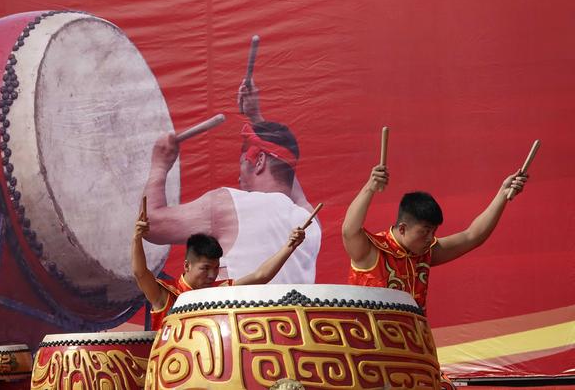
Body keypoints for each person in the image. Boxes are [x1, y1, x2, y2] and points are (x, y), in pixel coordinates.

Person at [142, 79, 321, 283]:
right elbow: (286, 168)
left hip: (242, 315)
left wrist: (160, 164)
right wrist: (257, 119)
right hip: (294, 315)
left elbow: (150, 224)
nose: (238, 176)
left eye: (242, 163)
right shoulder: (310, 220)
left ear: (259, 160)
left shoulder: (228, 204)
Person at [342, 163, 528, 313]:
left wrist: (502, 195)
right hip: (369, 348)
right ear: (403, 228)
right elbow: (349, 231)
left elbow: (472, 236)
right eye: (425, 232)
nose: (431, 238)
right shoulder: (371, 251)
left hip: (415, 348)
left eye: (434, 232)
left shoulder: (425, 253)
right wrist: (370, 187)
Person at [132, 208, 306, 331]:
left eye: (216, 268)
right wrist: (137, 238)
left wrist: (290, 247)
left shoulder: (219, 292)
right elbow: (140, 274)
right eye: (205, 268)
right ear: (187, 265)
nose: (212, 275)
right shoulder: (166, 294)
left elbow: (261, 275)